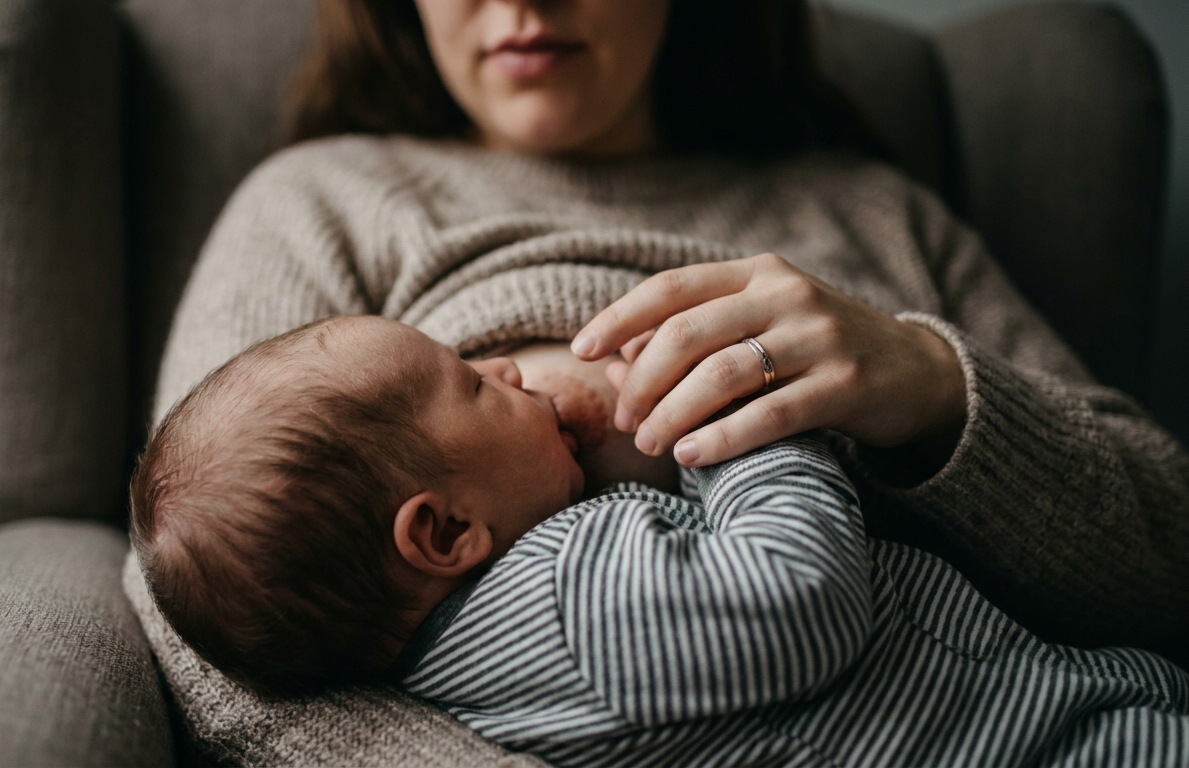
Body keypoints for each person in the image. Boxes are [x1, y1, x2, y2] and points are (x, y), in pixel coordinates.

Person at [152, 0, 1188, 673]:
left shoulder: (871, 212)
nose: (524, 3)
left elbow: (1167, 559)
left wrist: (931, 387)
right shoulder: (321, 199)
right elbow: (212, 623)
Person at [130, 314, 1189, 766]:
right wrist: (737, 421)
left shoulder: (522, 609)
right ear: (444, 530)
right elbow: (797, 595)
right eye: (469, 382)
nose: (506, 370)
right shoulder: (561, 603)